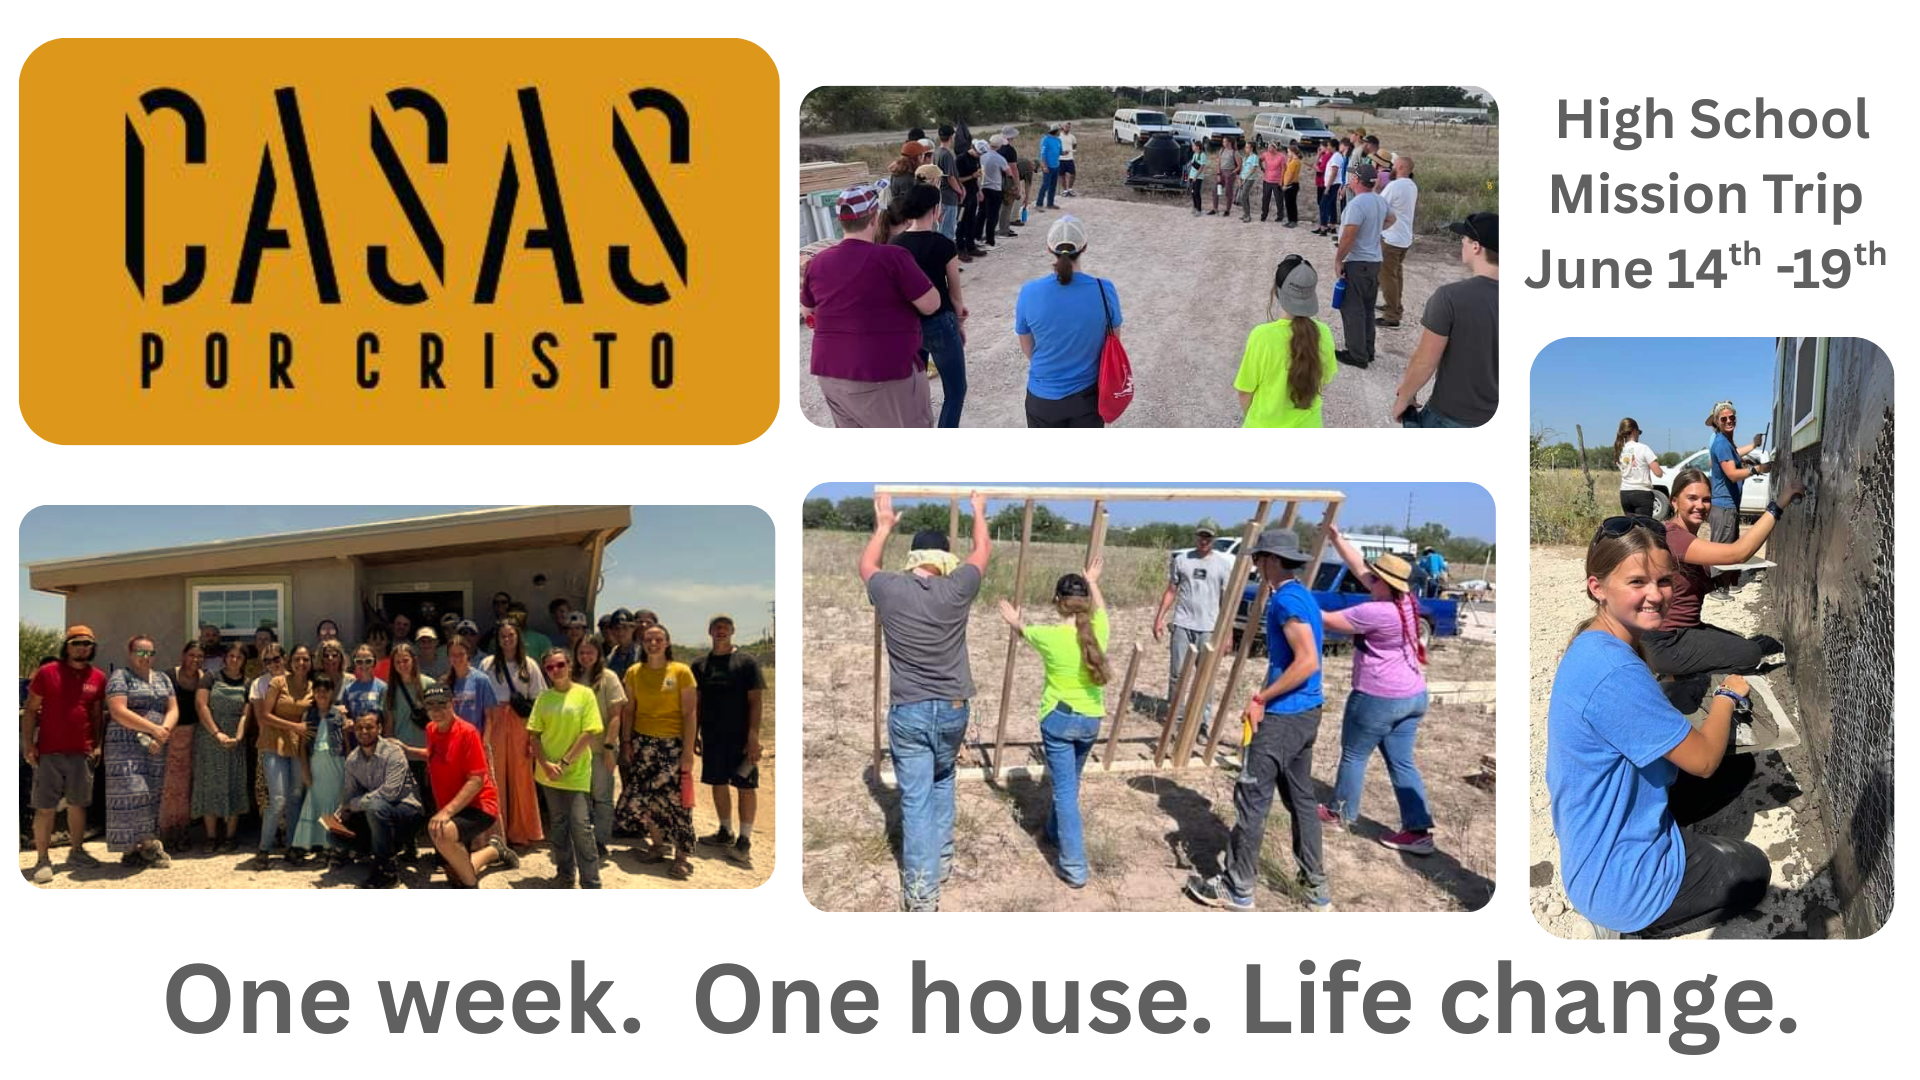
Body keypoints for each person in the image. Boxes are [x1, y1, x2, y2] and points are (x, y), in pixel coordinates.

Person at [1547, 518, 1769, 937]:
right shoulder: (1614, 671)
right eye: (1637, 582)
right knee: (1753, 870)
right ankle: (1639, 925)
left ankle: (1666, 836)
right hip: (1618, 882)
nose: (1655, 595)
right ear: (1598, 587)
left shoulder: (1596, 643)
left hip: (1604, 825)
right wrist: (1726, 696)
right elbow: (1702, 761)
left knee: (1738, 768)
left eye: (1664, 581)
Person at [1185, 531, 1330, 912]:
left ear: (1271, 560)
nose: (1254, 566)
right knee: (1301, 799)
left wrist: (1261, 698)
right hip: (1306, 712)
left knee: (1252, 796)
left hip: (1284, 717)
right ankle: (1315, 887)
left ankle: (1237, 888)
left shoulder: (1286, 601)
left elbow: (1307, 662)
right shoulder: (1303, 595)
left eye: (1258, 559)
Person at [862, 491, 990, 910]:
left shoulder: (891, 589)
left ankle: (921, 896)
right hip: (954, 708)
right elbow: (983, 550)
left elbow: (867, 566)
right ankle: (944, 861)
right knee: (943, 780)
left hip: (910, 709)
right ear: (945, 559)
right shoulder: (959, 588)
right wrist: (978, 510)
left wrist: (883, 527)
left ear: (914, 557)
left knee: (915, 800)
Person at [1313, 528, 1435, 854]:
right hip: (1412, 695)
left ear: (1383, 583)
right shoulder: (1405, 602)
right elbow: (1360, 568)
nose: (1368, 579)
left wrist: (1290, 594)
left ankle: (1339, 814)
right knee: (1403, 763)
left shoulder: (1374, 612)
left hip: (1377, 697)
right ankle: (1418, 831)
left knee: (1354, 755)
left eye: (1374, 577)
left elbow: (1325, 619)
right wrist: (1336, 538)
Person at [999, 560, 1109, 888]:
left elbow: (1022, 630)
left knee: (1065, 794)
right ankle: (1051, 830)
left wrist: (1014, 620)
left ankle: (1074, 866)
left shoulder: (1047, 636)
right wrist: (1092, 581)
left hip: (1058, 720)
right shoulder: (1099, 628)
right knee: (1070, 783)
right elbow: (1101, 608)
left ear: (1057, 602)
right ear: (1085, 601)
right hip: (1091, 720)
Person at [1646, 467, 1806, 686]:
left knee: (1742, 646)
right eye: (1691, 498)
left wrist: (1719, 580)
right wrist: (1778, 505)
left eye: (1706, 499)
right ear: (1674, 502)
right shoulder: (1675, 537)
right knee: (1749, 655)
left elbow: (1687, 588)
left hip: (1686, 630)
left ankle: (1683, 670)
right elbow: (1738, 553)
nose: (1700, 506)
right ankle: (1677, 679)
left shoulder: (1686, 537)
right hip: (1669, 642)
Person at [802, 184, 940, 428]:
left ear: (841, 221)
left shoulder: (818, 262)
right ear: (875, 218)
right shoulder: (892, 257)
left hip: (830, 373)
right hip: (882, 373)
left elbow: (808, 311)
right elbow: (931, 304)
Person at [1391, 212, 1500, 428]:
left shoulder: (1450, 297)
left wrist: (1405, 397)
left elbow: (1425, 361)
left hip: (1449, 418)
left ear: (1476, 247)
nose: (1461, 242)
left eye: (1464, 238)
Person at [1015, 215, 1122, 428]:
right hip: (1088, 398)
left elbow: (1027, 347)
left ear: (1049, 248)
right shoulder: (1104, 290)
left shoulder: (1029, 292)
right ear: (1084, 247)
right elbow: (1113, 341)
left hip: (1042, 398)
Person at [412, 683, 519, 887]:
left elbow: (476, 781)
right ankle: (494, 850)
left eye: (442, 704)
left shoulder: (468, 733)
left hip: (478, 806)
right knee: (453, 871)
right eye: (430, 705)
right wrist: (407, 749)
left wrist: (446, 812)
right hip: (453, 807)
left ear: (452, 704)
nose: (436, 710)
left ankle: (469, 886)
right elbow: (435, 755)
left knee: (440, 832)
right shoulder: (431, 728)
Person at [22, 626, 107, 883]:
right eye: (77, 643)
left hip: (82, 752)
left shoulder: (98, 677)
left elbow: (96, 714)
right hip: (49, 752)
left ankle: (77, 851)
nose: (83, 647)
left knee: (78, 805)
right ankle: (42, 859)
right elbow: (30, 710)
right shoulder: (47, 673)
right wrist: (28, 744)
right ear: (67, 646)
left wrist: (98, 745)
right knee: (45, 807)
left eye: (87, 643)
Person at [618, 624, 699, 880]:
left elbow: (689, 713)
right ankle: (657, 845)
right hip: (643, 743)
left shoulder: (681, 672)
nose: (653, 643)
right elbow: (629, 710)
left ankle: (682, 857)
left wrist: (688, 751)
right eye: (649, 639)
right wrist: (627, 742)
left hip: (672, 745)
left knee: (677, 802)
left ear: (667, 642)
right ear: (643, 643)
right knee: (646, 799)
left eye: (658, 639)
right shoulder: (633, 673)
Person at [887, 184, 968, 428]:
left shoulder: (894, 245)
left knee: (916, 388)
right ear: (936, 209)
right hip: (940, 322)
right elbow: (954, 293)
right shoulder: (944, 244)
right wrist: (960, 322)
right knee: (955, 389)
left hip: (908, 325)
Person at [691, 614, 766, 869]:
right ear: (709, 631)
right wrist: (695, 733)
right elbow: (697, 702)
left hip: (741, 738)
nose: (721, 631)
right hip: (712, 736)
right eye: (716, 627)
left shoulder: (747, 662)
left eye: (725, 627)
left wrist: (753, 737)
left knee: (745, 785)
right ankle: (725, 831)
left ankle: (744, 839)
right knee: (718, 782)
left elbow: (755, 701)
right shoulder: (701, 665)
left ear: (733, 631)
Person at [528, 648, 605, 888]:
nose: (555, 670)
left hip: (575, 773)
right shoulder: (543, 698)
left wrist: (563, 763)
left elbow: (589, 731)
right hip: (548, 774)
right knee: (559, 826)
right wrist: (545, 764)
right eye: (550, 667)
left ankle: (591, 881)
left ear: (569, 665)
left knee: (581, 826)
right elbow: (534, 736)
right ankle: (565, 875)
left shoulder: (584, 695)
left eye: (560, 665)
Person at [1234, 255, 1338, 428]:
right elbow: (1322, 382)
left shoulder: (1262, 336)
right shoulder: (1324, 333)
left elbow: (1245, 392)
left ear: (1277, 291)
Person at [103, 635, 177, 868]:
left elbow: (173, 708)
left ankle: (147, 845)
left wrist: (163, 731)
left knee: (151, 792)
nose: (145, 657)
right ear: (130, 653)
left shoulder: (163, 678)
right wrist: (154, 729)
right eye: (140, 652)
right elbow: (118, 711)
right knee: (132, 791)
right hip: (125, 743)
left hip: (155, 745)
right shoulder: (120, 677)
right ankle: (131, 847)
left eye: (149, 653)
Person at [1153, 526, 1234, 725]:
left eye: (1208, 537)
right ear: (1196, 537)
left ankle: (1202, 723)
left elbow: (1227, 601)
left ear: (1213, 539)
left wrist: (1228, 634)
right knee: (1177, 674)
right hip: (1182, 624)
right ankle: (1176, 719)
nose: (1204, 540)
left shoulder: (1222, 565)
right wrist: (1159, 618)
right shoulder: (1182, 560)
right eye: (1201, 536)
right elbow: (1172, 590)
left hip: (1209, 628)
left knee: (1205, 677)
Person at [332, 712, 424, 888]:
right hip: (377, 812)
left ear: (379, 728)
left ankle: (387, 871)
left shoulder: (393, 752)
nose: (364, 731)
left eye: (369, 727)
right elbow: (350, 793)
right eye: (359, 728)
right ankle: (383, 849)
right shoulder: (352, 759)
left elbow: (390, 793)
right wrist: (342, 811)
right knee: (334, 834)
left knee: (375, 807)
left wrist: (352, 805)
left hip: (408, 812)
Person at [482, 620, 547, 848]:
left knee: (521, 777)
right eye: (502, 636)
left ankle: (520, 831)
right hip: (494, 719)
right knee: (495, 775)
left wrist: (535, 733)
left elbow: (540, 699)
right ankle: (496, 832)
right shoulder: (487, 663)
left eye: (511, 635)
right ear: (497, 640)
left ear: (518, 637)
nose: (507, 640)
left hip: (520, 721)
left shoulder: (528, 664)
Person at [191, 642, 252, 854]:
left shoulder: (247, 683)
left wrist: (239, 737)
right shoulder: (210, 677)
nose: (234, 660)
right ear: (225, 658)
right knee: (210, 784)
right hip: (210, 738)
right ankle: (211, 836)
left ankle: (230, 836)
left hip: (235, 741)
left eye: (239, 657)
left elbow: (246, 714)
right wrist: (217, 733)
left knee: (234, 783)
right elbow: (201, 706)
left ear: (244, 661)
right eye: (231, 656)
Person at [1705, 399, 1769, 598]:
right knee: (1722, 547)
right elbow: (1732, 474)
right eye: (1724, 419)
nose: (1728, 421)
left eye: (1731, 417)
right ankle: (1717, 588)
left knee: (1728, 546)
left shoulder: (1726, 442)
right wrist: (1756, 469)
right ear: (1717, 421)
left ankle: (1725, 584)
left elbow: (1734, 457)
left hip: (1729, 504)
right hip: (1723, 504)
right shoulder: (1722, 443)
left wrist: (1753, 445)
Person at [256, 644, 313, 866]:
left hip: (297, 747)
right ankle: (264, 849)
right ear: (291, 661)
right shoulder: (278, 682)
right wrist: (294, 726)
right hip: (273, 743)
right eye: (298, 659)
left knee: (295, 797)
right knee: (278, 798)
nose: (301, 663)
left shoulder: (312, 686)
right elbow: (266, 715)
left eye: (305, 659)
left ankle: (293, 847)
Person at [572, 635, 627, 862]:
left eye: (590, 652)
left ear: (598, 654)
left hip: (600, 747)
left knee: (602, 796)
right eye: (581, 652)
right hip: (576, 750)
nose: (586, 657)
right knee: (580, 797)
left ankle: (601, 840)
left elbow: (616, 716)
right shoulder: (571, 677)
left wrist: (609, 746)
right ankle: (583, 839)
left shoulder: (609, 678)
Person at [1333, 162, 1393, 369]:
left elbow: (1349, 236)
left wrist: (1339, 260)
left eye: (1352, 176)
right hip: (1374, 262)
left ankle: (1357, 355)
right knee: (1367, 309)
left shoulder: (1356, 205)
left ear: (1357, 180)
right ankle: (1368, 350)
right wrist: (1374, 231)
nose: (1350, 179)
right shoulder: (1379, 200)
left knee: (1352, 310)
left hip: (1357, 263)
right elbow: (1391, 219)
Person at [384, 641, 437, 853]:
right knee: (407, 804)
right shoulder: (390, 691)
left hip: (428, 753)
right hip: (402, 754)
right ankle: (409, 845)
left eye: (406, 660)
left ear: (414, 660)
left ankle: (439, 849)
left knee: (432, 802)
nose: (402, 664)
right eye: (398, 662)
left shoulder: (428, 684)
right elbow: (389, 724)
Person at [160, 642, 204, 846]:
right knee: (170, 786)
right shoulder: (169, 676)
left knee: (188, 786)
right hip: (171, 736)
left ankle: (184, 831)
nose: (195, 659)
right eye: (191, 655)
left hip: (195, 735)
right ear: (183, 655)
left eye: (199, 656)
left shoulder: (204, 678)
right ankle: (167, 832)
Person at [1377, 154, 1418, 327]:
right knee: (1396, 276)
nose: (1392, 168)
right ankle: (1395, 306)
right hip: (1404, 237)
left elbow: (1379, 205)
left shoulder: (1394, 186)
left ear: (1401, 167)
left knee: (1387, 277)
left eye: (1394, 165)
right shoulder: (1412, 186)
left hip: (1391, 238)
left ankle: (1392, 315)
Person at [1615, 418, 1665, 516]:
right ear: (1634, 431)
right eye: (1639, 432)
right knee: (1644, 528)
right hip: (1642, 493)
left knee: (1631, 528)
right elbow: (1658, 473)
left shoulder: (1619, 450)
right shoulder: (1643, 448)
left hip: (1625, 493)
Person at [977, 138, 1009, 250]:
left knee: (981, 213)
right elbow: (1008, 171)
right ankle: (990, 240)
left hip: (983, 187)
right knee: (993, 215)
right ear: (999, 146)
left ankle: (977, 236)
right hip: (995, 188)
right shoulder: (1000, 159)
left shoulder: (981, 156)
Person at [934, 124, 962, 241]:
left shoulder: (937, 152)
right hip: (949, 196)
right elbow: (950, 177)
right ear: (951, 137)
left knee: (941, 227)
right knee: (948, 230)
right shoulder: (947, 155)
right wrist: (960, 191)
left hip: (941, 193)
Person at [1316, 139, 1346, 236]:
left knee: (1323, 204)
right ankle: (1332, 226)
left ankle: (1323, 227)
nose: (1327, 147)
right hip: (1334, 184)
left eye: (1329, 145)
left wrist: (1328, 186)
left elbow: (1334, 172)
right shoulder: (1335, 156)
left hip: (1333, 184)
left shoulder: (1336, 157)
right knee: (1332, 204)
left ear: (1333, 147)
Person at [1036, 125, 1062, 210]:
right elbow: (1042, 154)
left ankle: (1050, 204)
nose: (1060, 131)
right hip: (1048, 167)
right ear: (1055, 131)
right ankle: (1039, 204)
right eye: (1059, 130)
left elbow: (1060, 151)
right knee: (1045, 185)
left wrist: (1064, 152)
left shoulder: (1058, 140)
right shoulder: (1045, 140)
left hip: (1056, 166)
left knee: (1053, 186)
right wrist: (1044, 166)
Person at [1213, 136, 1239, 216]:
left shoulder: (1235, 152)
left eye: (1225, 141)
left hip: (1229, 172)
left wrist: (1232, 173)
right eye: (1223, 142)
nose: (1223, 143)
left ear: (1229, 142)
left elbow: (1239, 166)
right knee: (1215, 189)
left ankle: (1227, 210)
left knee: (1228, 192)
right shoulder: (1222, 150)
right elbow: (1218, 163)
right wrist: (1218, 174)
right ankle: (1215, 209)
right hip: (1221, 172)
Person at [1237, 140, 1261, 222]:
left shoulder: (1255, 157)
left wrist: (1245, 178)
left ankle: (1247, 215)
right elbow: (1243, 168)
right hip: (1243, 178)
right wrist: (1240, 178)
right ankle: (1246, 214)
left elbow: (1253, 169)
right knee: (1245, 197)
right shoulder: (1246, 157)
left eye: (1247, 147)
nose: (1245, 148)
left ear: (1251, 148)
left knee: (1243, 196)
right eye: (1245, 147)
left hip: (1249, 179)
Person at [1185, 138, 1210, 216]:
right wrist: (1189, 176)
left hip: (1198, 177)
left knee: (1196, 193)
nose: (1192, 147)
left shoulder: (1202, 155)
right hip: (1192, 176)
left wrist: (1196, 176)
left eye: (1194, 146)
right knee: (1192, 192)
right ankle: (1195, 207)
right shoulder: (1194, 154)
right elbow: (1192, 166)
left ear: (1198, 147)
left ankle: (1199, 210)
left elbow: (1202, 167)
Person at [1281, 142, 1304, 227]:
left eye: (1288, 152)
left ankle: (1292, 220)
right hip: (1294, 184)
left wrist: (1285, 185)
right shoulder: (1295, 161)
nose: (1287, 153)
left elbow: (1290, 174)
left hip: (1290, 184)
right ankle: (1291, 220)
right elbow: (1287, 166)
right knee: (1291, 203)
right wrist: (1288, 159)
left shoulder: (1294, 162)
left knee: (1290, 204)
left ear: (1292, 152)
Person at [1058, 121, 1077, 196]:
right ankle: (1065, 190)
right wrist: (1061, 152)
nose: (1068, 128)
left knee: (1073, 174)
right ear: (1063, 127)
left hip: (1070, 159)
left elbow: (1075, 144)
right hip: (1061, 159)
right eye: (1066, 126)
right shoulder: (1059, 136)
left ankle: (1070, 189)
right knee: (1062, 175)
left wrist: (1070, 150)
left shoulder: (1072, 136)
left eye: (1069, 127)